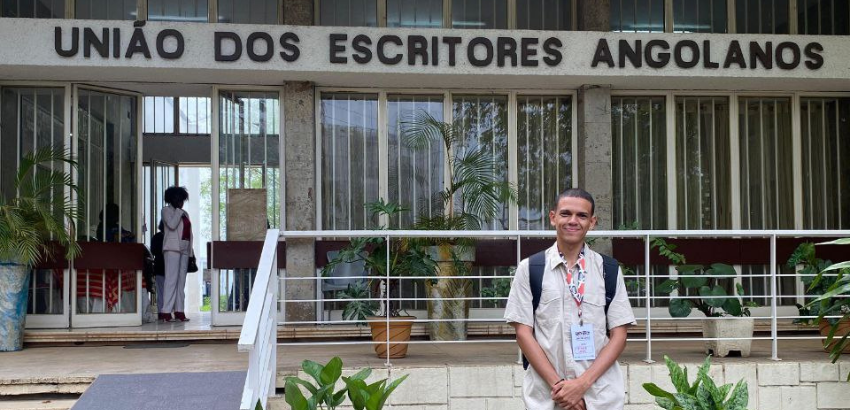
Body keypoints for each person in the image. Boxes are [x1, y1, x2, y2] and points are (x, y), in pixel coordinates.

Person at [504, 188, 635, 410]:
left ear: (592, 222)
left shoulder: (609, 270)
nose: (573, 221)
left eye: (582, 216)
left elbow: (619, 335)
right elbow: (523, 333)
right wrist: (562, 390)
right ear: (553, 217)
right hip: (548, 397)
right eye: (565, 214)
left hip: (599, 397)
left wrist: (581, 386)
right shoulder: (530, 269)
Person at [160, 186, 193, 322]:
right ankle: (166, 311)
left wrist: (190, 252)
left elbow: (189, 233)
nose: (181, 202)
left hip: (184, 249)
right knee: (171, 280)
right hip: (172, 248)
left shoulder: (184, 213)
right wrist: (179, 211)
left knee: (181, 282)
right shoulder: (166, 211)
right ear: (171, 199)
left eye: (182, 199)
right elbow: (172, 225)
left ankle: (179, 310)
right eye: (179, 199)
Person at [150, 221, 166, 319]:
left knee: (160, 291)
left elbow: (153, 251)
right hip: (168, 266)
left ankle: (161, 312)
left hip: (159, 265)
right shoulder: (173, 237)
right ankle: (168, 311)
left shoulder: (156, 237)